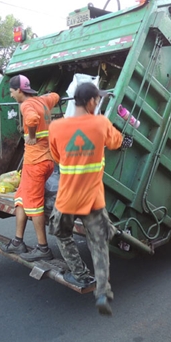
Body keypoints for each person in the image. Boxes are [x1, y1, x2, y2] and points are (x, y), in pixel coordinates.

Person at [48, 81, 130, 316]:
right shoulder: (101, 123)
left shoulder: (56, 127)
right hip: (93, 200)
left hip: (66, 199)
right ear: (92, 101)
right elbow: (115, 142)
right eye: (98, 99)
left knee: (61, 233)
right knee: (99, 243)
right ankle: (103, 291)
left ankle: (80, 273)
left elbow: (56, 156)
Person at [1, 74, 60, 262]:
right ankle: (18, 242)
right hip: (46, 161)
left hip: (36, 163)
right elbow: (56, 96)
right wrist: (47, 96)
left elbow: (32, 119)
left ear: (19, 90)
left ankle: (43, 248)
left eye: (11, 92)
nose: (11, 95)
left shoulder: (26, 105)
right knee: (21, 198)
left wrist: (32, 135)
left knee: (34, 206)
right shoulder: (43, 101)